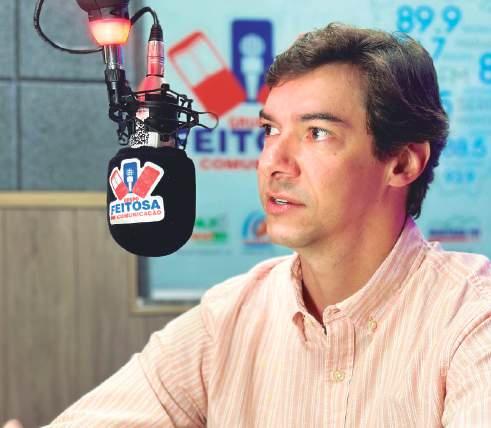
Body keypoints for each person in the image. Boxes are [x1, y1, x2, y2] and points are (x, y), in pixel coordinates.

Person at [46, 23, 491, 427]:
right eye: (270, 130)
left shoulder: (472, 317)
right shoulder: (228, 317)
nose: (273, 162)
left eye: (316, 133)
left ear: (402, 163)